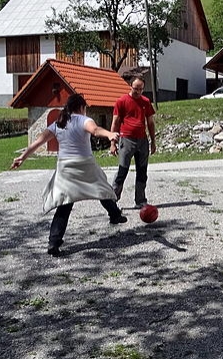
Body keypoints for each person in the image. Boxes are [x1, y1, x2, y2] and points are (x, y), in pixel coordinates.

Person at [11, 94, 127, 257]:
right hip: (84, 164)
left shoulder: (58, 123)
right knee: (102, 190)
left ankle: (54, 241)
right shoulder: (83, 120)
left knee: (65, 204)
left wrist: (22, 157)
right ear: (82, 107)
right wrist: (109, 134)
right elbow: (95, 130)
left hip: (65, 167)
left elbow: (38, 142)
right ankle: (115, 215)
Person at [109, 76, 157, 207]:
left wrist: (153, 141)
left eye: (141, 89)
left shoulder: (146, 102)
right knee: (122, 170)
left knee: (142, 171)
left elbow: (150, 123)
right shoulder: (121, 101)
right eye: (136, 89)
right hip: (126, 139)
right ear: (130, 86)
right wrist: (113, 143)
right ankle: (113, 199)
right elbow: (115, 122)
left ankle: (140, 200)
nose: (138, 92)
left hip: (142, 140)